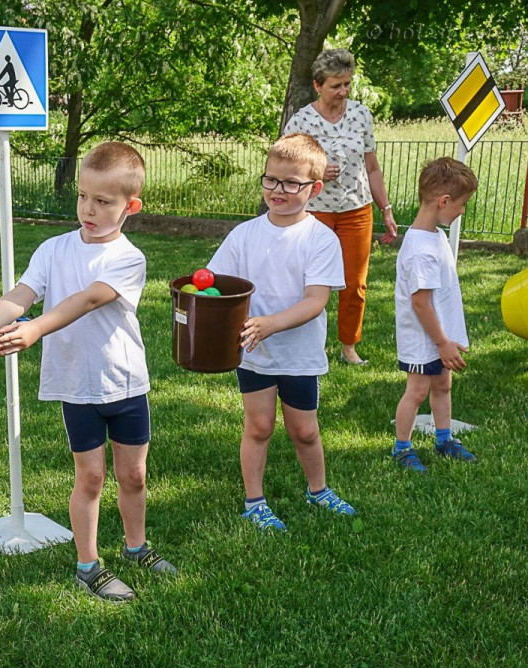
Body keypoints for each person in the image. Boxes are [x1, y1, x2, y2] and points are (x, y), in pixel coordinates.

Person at [0, 142, 176, 603]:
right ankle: (88, 565)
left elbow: (90, 298)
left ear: (130, 207)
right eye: (83, 196)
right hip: (76, 385)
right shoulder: (53, 248)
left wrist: (35, 329)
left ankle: (137, 546)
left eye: (103, 201)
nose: (89, 209)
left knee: (134, 474)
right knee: (91, 477)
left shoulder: (128, 258)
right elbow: (20, 294)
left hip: (124, 382)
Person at [205, 133, 355, 532]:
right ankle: (254, 502)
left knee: (304, 430)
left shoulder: (320, 239)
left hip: (299, 354)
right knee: (258, 427)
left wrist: (271, 324)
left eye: (291, 183)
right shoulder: (244, 234)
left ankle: (318, 490)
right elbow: (218, 284)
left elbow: (315, 301)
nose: (278, 190)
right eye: (271, 179)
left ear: (314, 188)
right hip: (253, 352)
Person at [283, 48, 398, 366]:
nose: (344, 91)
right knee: (306, 283)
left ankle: (349, 345)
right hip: (313, 212)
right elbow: (286, 170)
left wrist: (385, 208)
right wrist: (315, 170)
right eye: (337, 85)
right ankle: (303, 342)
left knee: (355, 283)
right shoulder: (302, 120)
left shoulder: (361, 114)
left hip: (356, 211)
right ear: (318, 85)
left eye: (347, 84)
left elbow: (372, 167)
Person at [391, 158, 480, 472]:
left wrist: (449, 337)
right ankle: (401, 447)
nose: (462, 211)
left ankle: (444, 439)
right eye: (462, 204)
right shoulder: (420, 250)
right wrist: (443, 342)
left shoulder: (436, 237)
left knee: (443, 386)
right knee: (416, 392)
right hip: (423, 337)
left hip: (440, 335)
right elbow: (421, 304)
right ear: (444, 201)